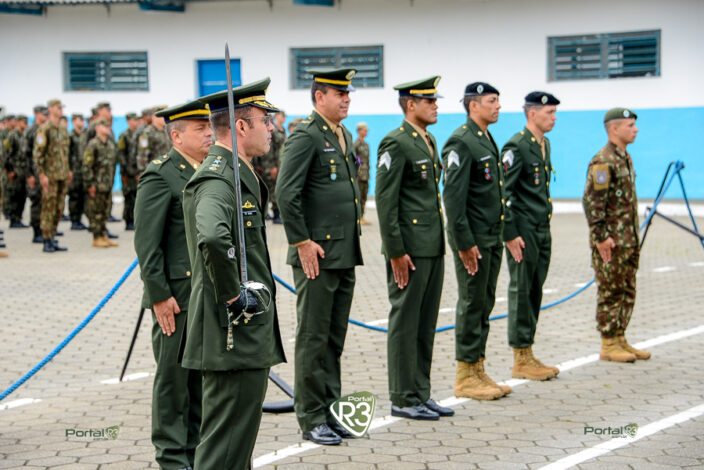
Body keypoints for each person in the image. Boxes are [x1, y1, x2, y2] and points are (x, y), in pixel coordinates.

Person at [181, 78, 286, 470]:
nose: (271, 128)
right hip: (232, 331)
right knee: (224, 449)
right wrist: (232, 295)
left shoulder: (238, 173)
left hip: (242, 331)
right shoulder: (219, 178)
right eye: (265, 120)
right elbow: (211, 237)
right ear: (241, 126)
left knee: (236, 448)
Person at [277, 68, 363, 446]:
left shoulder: (341, 134)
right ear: (319, 97)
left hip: (343, 251)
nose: (346, 99)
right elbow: (286, 193)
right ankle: (311, 417)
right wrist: (301, 241)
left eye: (347, 93)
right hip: (317, 254)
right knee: (313, 338)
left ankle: (331, 410)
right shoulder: (306, 135)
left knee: (333, 339)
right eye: (338, 93)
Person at [134, 99, 212, 470]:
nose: (209, 133)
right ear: (177, 136)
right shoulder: (160, 175)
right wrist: (159, 296)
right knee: (173, 379)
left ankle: (195, 450)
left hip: (205, 292)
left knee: (198, 376)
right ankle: (171, 455)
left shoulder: (209, 170)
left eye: (209, 126)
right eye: (200, 129)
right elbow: (147, 245)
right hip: (176, 297)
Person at [376, 77, 453, 420]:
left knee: (425, 323)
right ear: (410, 105)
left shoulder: (428, 140)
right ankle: (403, 396)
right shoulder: (396, 142)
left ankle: (421, 392)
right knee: (406, 322)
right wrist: (395, 251)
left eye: (435, 100)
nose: (435, 106)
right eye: (428, 101)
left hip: (432, 244)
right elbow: (386, 201)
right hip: (409, 248)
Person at [443, 82, 510, 400]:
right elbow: (453, 199)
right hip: (473, 240)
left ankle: (478, 367)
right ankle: (465, 375)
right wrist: (464, 243)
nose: (498, 106)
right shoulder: (461, 141)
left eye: (498, 101)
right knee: (472, 302)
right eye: (491, 101)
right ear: (473, 106)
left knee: (485, 302)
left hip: (491, 237)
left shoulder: (484, 138)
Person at [501, 91, 561, 381]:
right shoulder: (517, 146)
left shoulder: (544, 144)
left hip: (541, 228)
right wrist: (510, 233)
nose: (554, 118)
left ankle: (528, 350)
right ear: (532, 113)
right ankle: (520, 356)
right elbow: (503, 192)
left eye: (555, 113)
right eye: (549, 112)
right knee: (522, 289)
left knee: (535, 289)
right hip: (523, 232)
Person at [583, 107, 650, 363]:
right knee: (610, 290)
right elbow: (592, 202)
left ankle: (620, 337)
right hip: (610, 241)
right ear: (614, 128)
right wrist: (601, 237)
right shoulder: (603, 160)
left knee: (627, 289)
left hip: (628, 240)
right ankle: (608, 343)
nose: (636, 130)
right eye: (630, 125)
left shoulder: (624, 157)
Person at [33, 99, 71, 253]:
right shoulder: (44, 129)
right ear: (50, 109)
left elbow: (66, 153)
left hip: (62, 175)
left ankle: (53, 236)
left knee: (59, 208)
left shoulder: (62, 129)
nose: (60, 109)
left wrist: (68, 170)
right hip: (50, 176)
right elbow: (38, 154)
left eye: (61, 107)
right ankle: (46, 239)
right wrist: (42, 174)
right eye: (58, 107)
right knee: (48, 208)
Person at [83, 119, 117, 248]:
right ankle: (96, 237)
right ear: (97, 128)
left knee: (105, 211)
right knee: (95, 211)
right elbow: (87, 166)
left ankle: (103, 235)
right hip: (96, 185)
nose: (108, 128)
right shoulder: (93, 144)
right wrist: (90, 184)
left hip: (107, 184)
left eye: (108, 126)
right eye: (104, 125)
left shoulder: (110, 144)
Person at [253, 110, 285, 223]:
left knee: (273, 190)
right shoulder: (262, 133)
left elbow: (278, 148)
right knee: (263, 191)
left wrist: (275, 166)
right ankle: (265, 214)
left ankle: (276, 215)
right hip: (262, 166)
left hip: (271, 165)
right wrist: (256, 165)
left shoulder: (274, 132)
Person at [23, 106, 49, 243]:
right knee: (37, 202)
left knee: (45, 203)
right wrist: (29, 175)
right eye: (43, 114)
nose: (46, 116)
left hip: (43, 173)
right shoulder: (31, 131)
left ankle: (45, 231)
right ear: (37, 114)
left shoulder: (44, 130)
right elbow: (25, 155)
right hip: (34, 173)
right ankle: (36, 232)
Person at [3, 114, 29, 228]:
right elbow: (5, 153)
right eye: (23, 122)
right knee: (14, 195)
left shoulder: (24, 135)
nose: (25, 124)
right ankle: (13, 219)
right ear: (18, 122)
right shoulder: (12, 136)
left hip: (23, 171)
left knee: (22, 196)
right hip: (14, 171)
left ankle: (18, 218)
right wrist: (9, 170)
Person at [118, 112, 140, 230]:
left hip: (136, 171)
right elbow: (121, 154)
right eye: (133, 120)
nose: (135, 122)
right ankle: (128, 221)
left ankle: (135, 220)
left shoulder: (139, 134)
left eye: (136, 120)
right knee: (128, 197)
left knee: (136, 197)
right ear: (128, 121)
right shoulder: (124, 135)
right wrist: (126, 170)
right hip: (127, 172)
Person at [68, 113, 88, 230]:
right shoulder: (70, 136)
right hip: (74, 171)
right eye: (80, 119)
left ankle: (79, 219)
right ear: (74, 121)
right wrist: (69, 170)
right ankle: (74, 220)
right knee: (74, 196)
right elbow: (67, 154)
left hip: (83, 170)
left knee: (81, 196)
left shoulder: (84, 135)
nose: (82, 122)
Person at [136, 106, 169, 175]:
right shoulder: (146, 133)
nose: (165, 118)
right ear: (154, 117)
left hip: (167, 170)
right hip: (154, 172)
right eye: (162, 116)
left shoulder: (167, 131)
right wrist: (144, 174)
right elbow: (142, 155)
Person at [354, 121, 371, 225]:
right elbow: (355, 160)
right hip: (359, 176)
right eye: (364, 130)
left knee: (364, 197)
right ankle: (358, 217)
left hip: (366, 175)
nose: (366, 132)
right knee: (359, 197)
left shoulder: (366, 145)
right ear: (359, 131)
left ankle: (362, 216)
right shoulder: (356, 145)